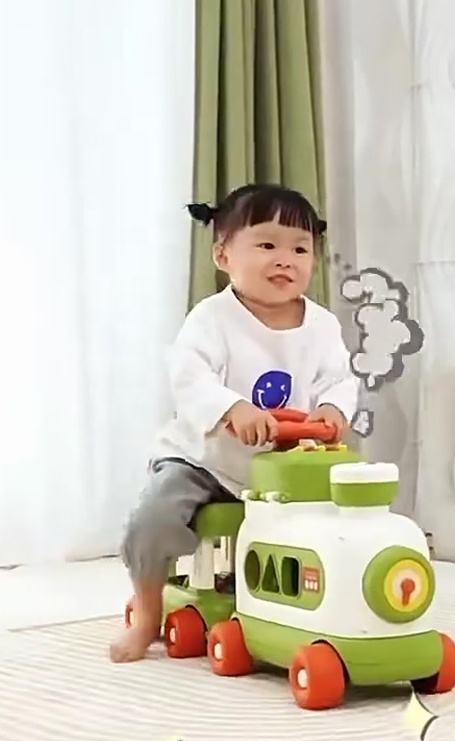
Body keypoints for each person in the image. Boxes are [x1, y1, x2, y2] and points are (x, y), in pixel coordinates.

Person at [110, 184, 358, 662]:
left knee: (339, 510)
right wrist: (230, 408)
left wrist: (332, 409)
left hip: (281, 466)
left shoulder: (323, 325)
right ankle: (147, 615)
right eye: (267, 245)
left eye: (300, 249)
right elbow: (190, 375)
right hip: (202, 461)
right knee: (151, 522)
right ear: (223, 255)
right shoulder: (212, 318)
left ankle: (311, 604)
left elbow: (339, 379)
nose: (285, 259)